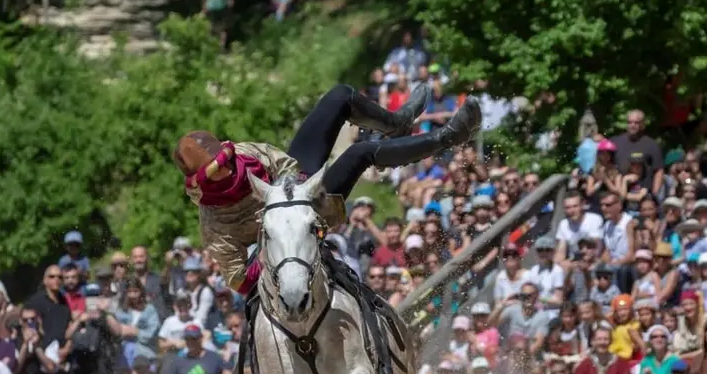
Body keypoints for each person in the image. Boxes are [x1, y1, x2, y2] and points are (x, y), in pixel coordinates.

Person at [174, 84, 479, 293]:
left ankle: (395, 122)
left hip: (300, 192)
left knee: (339, 96)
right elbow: (239, 280)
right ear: (203, 180)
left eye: (225, 158)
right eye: (219, 168)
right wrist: (272, 247)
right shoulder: (215, 224)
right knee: (360, 153)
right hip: (298, 236)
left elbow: (284, 164)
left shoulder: (243, 154)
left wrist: (295, 192)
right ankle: (449, 137)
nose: (228, 165)